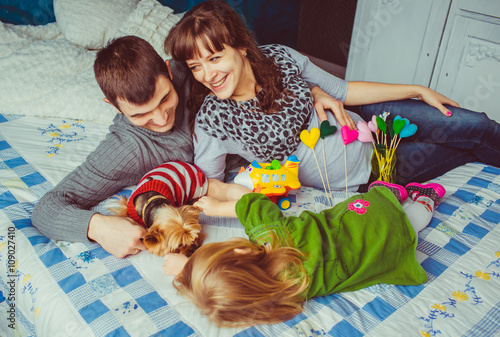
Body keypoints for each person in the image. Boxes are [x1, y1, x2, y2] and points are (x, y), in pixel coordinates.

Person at [164, 0, 500, 191]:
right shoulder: (213, 120)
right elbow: (209, 181)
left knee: (476, 124)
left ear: (239, 46)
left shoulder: (279, 57)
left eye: (214, 58)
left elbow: (345, 90)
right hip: (377, 171)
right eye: (195, 67)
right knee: (463, 149)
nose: (207, 75)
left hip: (372, 123)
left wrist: (417, 89)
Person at [31, 36, 249, 258]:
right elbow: (47, 209)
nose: (161, 118)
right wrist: (99, 228)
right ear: (114, 105)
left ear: (169, 70)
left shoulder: (193, 70)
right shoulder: (126, 149)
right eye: (141, 114)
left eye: (165, 98)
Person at [163, 181, 445, 326]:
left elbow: (227, 292)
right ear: (237, 249)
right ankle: (392, 194)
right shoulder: (275, 235)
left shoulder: (287, 295)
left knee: (413, 222)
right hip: (368, 212)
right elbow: (252, 203)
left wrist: (188, 271)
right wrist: (214, 207)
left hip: (392, 246)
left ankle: (426, 200)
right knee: (364, 204)